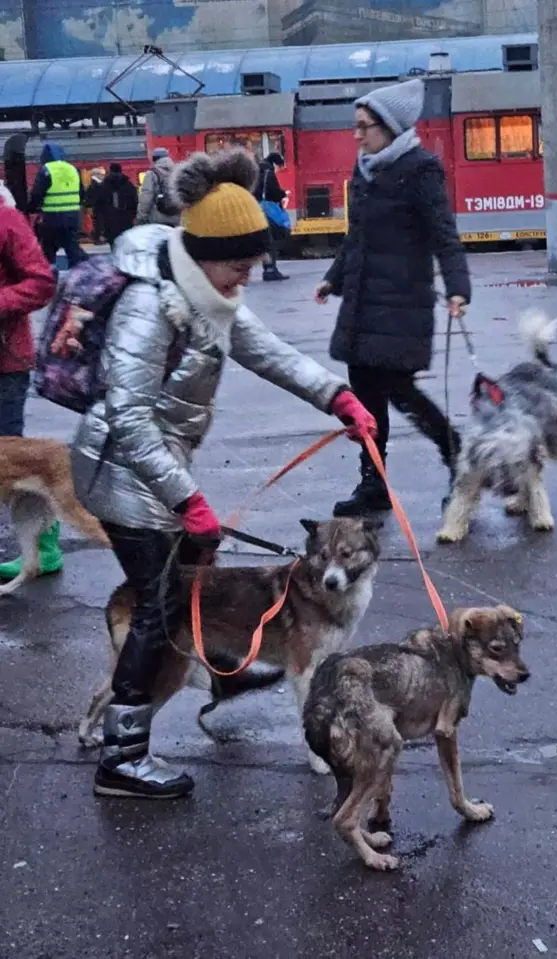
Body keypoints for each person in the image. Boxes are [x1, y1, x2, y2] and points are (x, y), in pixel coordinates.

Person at [70, 148, 376, 800]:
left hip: (157, 472)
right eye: (238, 266)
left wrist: (335, 397)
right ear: (205, 253)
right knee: (157, 606)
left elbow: (267, 351)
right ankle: (121, 758)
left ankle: (224, 668)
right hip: (121, 473)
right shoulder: (151, 307)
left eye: (252, 266)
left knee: (184, 590)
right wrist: (189, 501)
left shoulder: (208, 290)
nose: (245, 279)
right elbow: (128, 419)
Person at [315, 78, 471, 517]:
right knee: (364, 403)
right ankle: (374, 483)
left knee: (401, 391)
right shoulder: (364, 171)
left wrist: (458, 288)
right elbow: (357, 237)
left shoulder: (420, 169)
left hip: (403, 306)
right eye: (356, 126)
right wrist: (334, 278)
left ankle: (456, 454)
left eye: (365, 127)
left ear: (391, 127)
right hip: (363, 305)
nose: (357, 135)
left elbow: (444, 235)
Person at [0, 189, 59, 581]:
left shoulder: (6, 220)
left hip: (4, 362)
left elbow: (41, 281)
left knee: (10, 463)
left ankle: (43, 546)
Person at [28, 142, 86, 269]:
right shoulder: (73, 169)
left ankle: (46, 280)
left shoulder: (46, 170)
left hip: (52, 219)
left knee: (47, 252)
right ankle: (78, 279)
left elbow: (37, 194)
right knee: (73, 250)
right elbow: (82, 193)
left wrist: (32, 208)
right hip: (73, 218)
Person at [254, 152, 289, 282]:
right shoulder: (268, 172)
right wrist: (282, 194)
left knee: (268, 239)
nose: (279, 169)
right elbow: (271, 191)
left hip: (255, 208)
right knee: (273, 239)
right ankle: (270, 270)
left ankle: (269, 269)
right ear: (275, 163)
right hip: (266, 209)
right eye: (279, 166)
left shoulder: (257, 169)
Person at [94, 163, 138, 249]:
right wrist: (133, 215)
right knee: (126, 244)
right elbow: (135, 202)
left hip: (110, 220)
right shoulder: (128, 184)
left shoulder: (104, 185)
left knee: (113, 244)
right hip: (126, 219)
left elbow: (98, 205)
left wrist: (99, 226)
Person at [136, 147, 181, 227]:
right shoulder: (177, 171)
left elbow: (146, 197)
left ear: (154, 159)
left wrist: (141, 216)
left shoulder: (152, 173)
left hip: (158, 217)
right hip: (176, 216)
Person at [83, 168, 106, 244]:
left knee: (98, 223)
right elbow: (94, 197)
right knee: (98, 223)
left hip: (97, 207)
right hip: (98, 207)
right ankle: (97, 238)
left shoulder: (94, 185)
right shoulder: (96, 185)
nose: (103, 176)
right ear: (96, 175)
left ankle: (97, 237)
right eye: (102, 175)